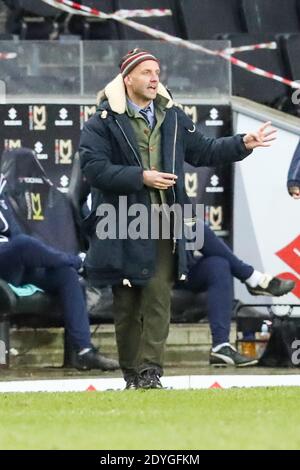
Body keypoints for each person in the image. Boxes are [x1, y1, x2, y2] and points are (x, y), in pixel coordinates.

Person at [79, 48, 277, 389]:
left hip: (165, 221)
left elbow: (204, 151)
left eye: (157, 72)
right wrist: (141, 177)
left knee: (158, 296)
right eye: (146, 72)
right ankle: (132, 376)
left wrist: (243, 143)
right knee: (126, 304)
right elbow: (94, 170)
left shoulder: (172, 116)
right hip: (120, 221)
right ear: (127, 79)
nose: (155, 78)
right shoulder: (101, 122)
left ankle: (150, 372)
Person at [0, 188, 119, 372]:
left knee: (66, 275)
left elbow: (14, 232)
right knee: (24, 244)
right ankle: (78, 261)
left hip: (14, 265)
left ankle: (84, 352)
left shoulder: (3, 196)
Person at [185, 222, 295, 367]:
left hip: (182, 267)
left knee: (219, 265)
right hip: (154, 270)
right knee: (195, 227)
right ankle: (253, 278)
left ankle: (221, 346)